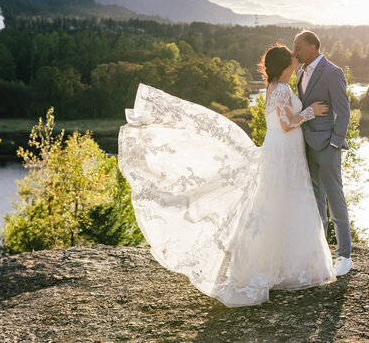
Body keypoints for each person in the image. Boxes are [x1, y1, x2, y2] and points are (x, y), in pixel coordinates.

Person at [118, 44, 337, 307]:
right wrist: (312, 111)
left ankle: (288, 266)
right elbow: (286, 123)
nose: (295, 57)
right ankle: (279, 268)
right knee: (280, 203)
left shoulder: (277, 88)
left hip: (286, 151)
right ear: (284, 65)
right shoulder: (279, 89)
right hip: (281, 153)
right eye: (291, 56)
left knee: (284, 204)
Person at [292, 30, 353, 276]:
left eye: (297, 46)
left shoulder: (332, 72)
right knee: (315, 202)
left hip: (328, 146)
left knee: (335, 201)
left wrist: (335, 144)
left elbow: (343, 112)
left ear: (313, 47)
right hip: (306, 146)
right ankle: (320, 253)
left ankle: (344, 257)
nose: (293, 50)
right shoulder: (299, 72)